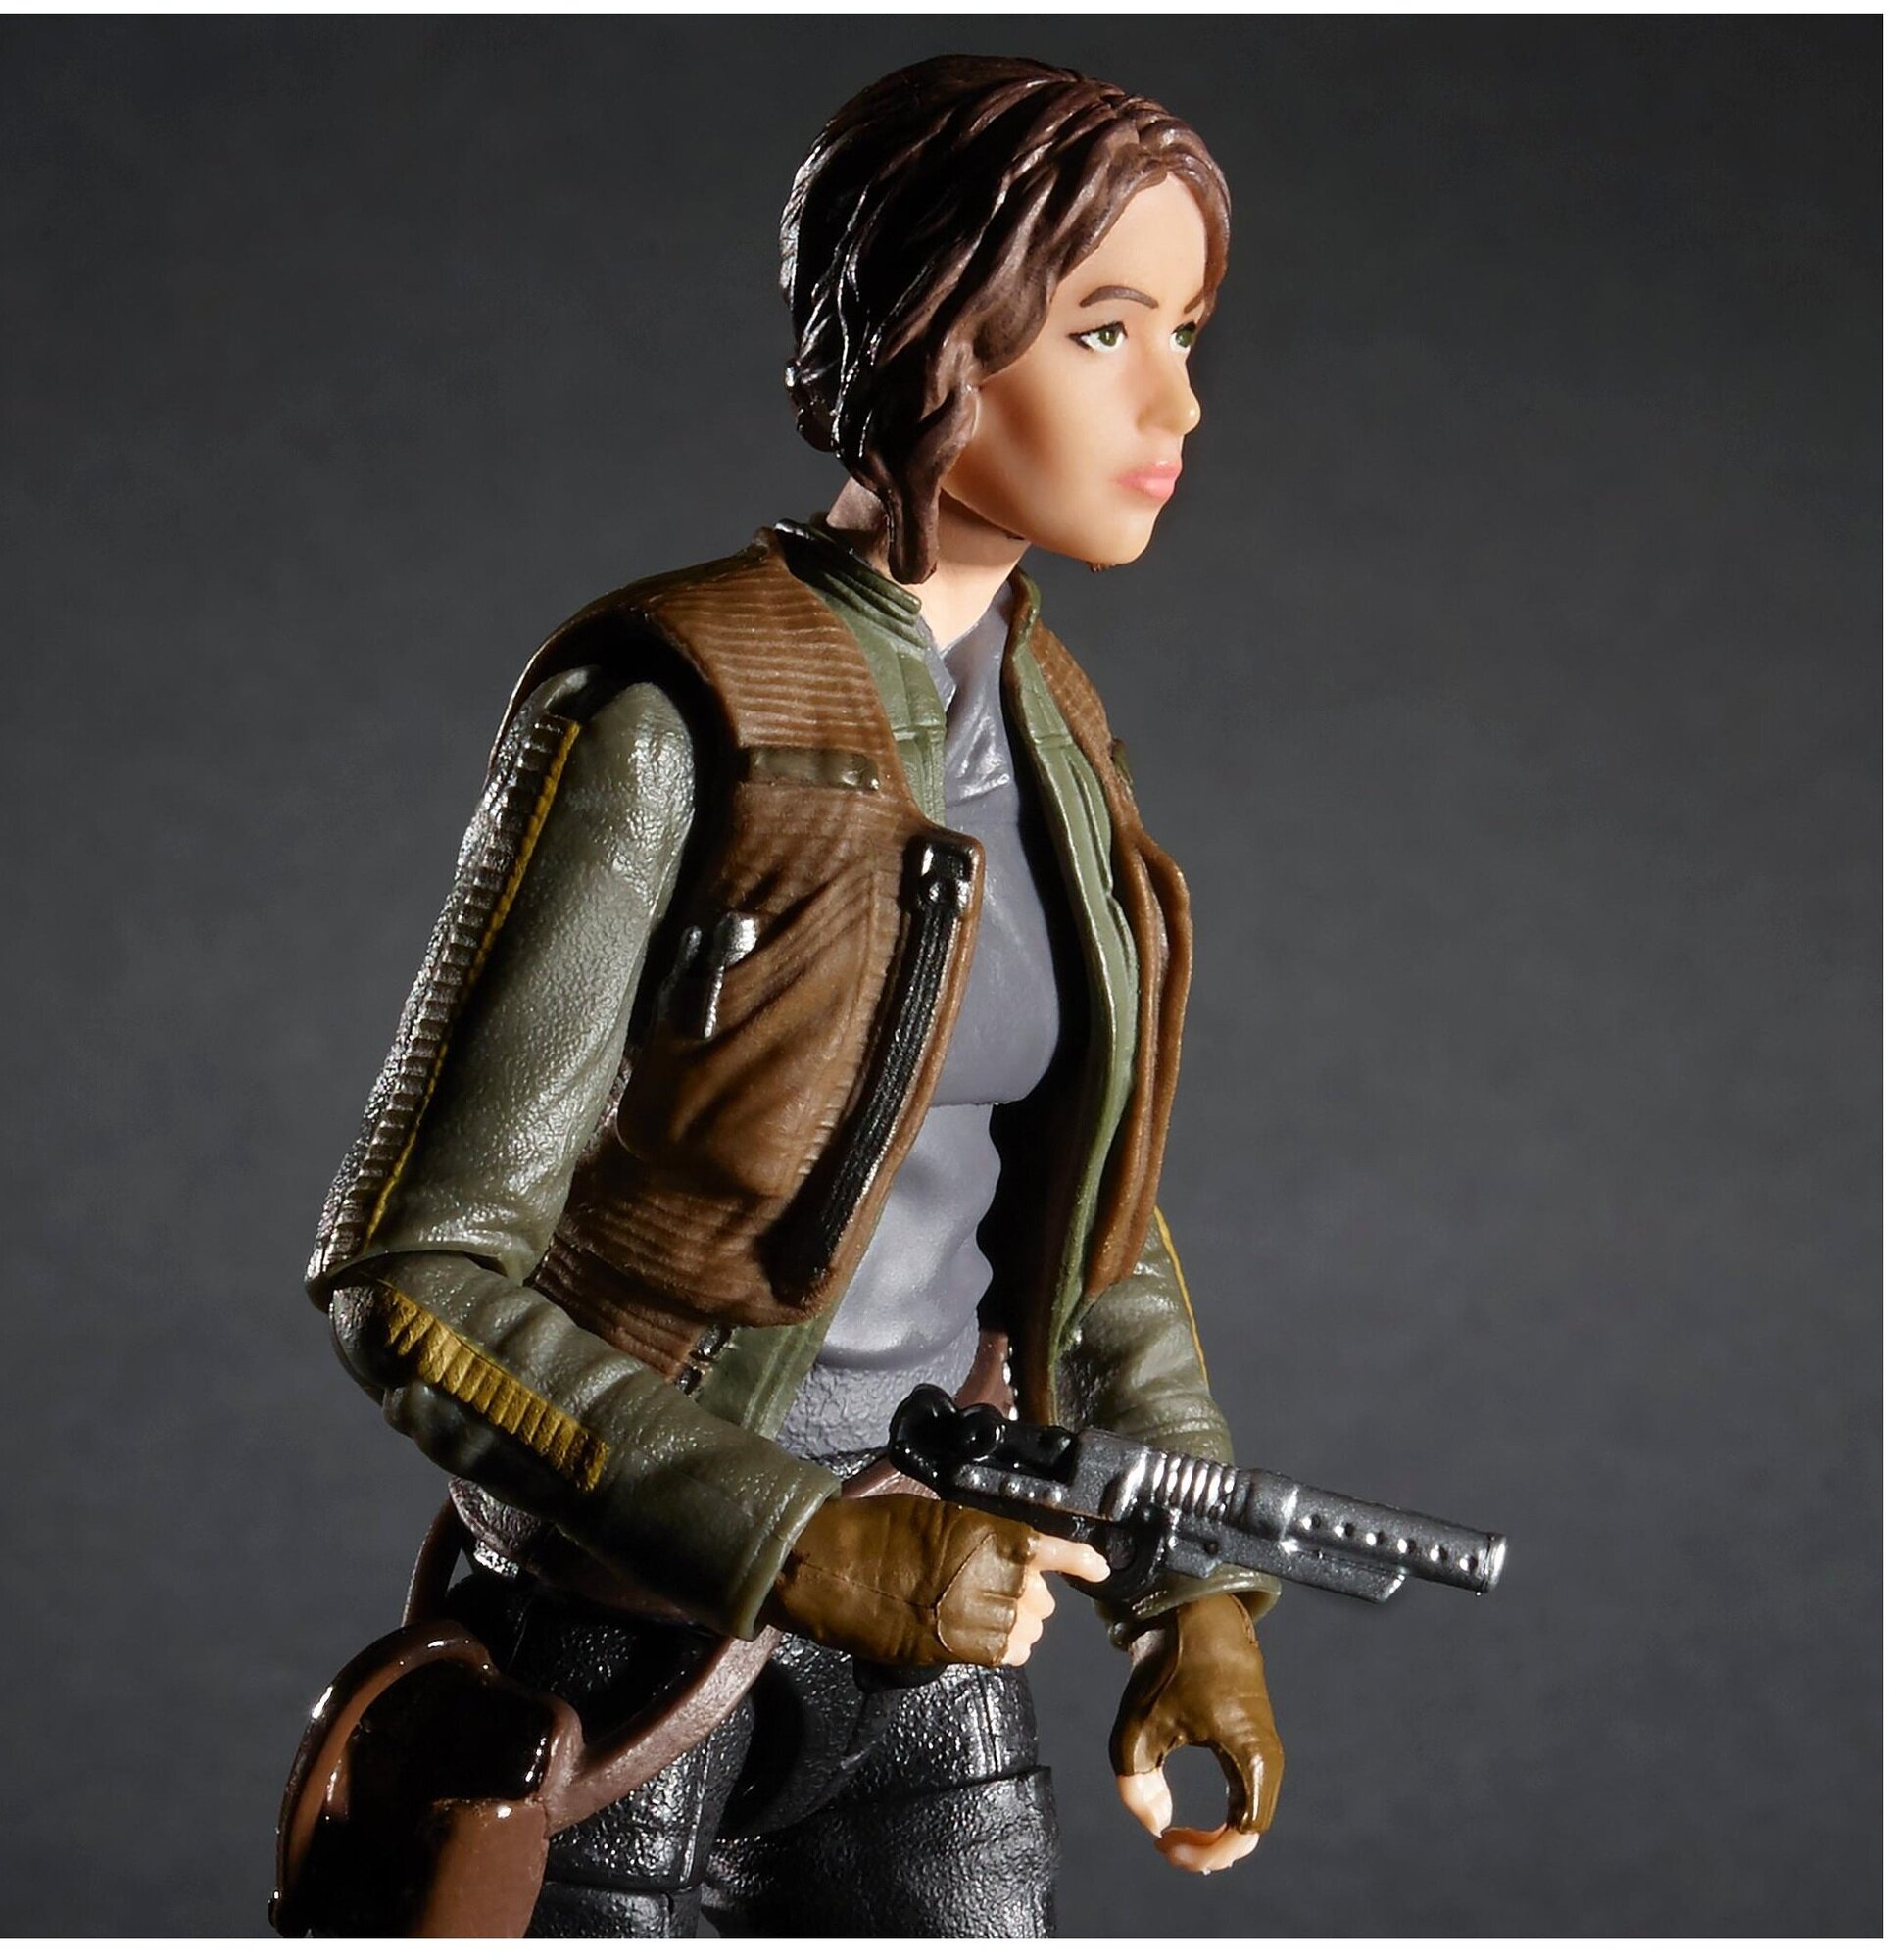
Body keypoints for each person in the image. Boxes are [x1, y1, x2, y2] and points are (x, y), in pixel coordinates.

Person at [307, 54, 1283, 1936]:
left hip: (940, 1621)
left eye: (1185, 332)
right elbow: (412, 1275)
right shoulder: (672, 707)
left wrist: (1192, 1584)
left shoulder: (1055, 729)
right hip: (625, 1643)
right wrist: (796, 1539)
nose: (1176, 400)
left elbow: (1089, 1219)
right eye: (1102, 330)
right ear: (932, 340)